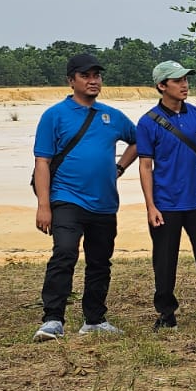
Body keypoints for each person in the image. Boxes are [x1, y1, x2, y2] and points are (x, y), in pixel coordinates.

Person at [32, 53, 138, 340]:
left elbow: (139, 140)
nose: (93, 81)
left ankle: (94, 319)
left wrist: (120, 167)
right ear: (71, 81)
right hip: (66, 198)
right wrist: (44, 205)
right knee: (64, 253)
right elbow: (42, 162)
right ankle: (53, 319)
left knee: (100, 261)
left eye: (97, 76)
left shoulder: (112, 116)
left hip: (104, 202)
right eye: (86, 76)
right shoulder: (54, 115)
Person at [137, 61, 196, 332]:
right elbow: (145, 165)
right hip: (166, 203)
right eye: (177, 80)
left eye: (186, 79)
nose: (184, 84)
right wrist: (151, 205)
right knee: (164, 261)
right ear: (162, 86)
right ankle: (166, 313)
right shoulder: (147, 122)